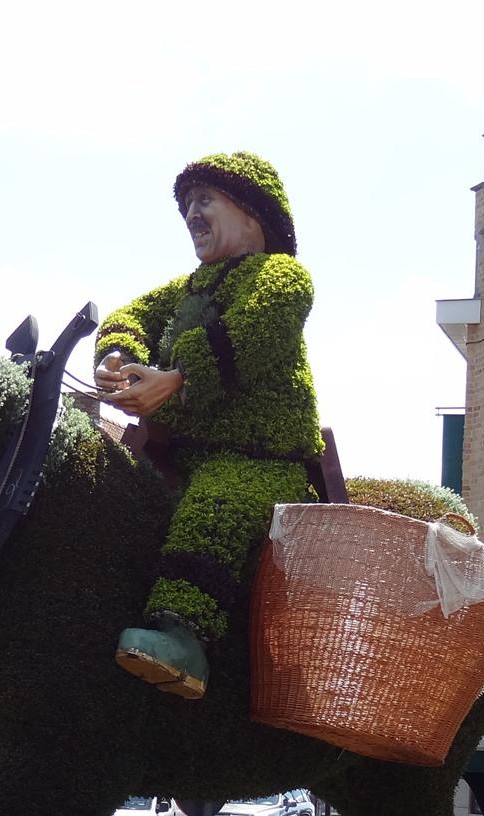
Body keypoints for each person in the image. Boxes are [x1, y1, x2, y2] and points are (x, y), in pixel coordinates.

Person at [95, 151, 322, 701]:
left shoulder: (282, 277)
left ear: (252, 213)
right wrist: (119, 356)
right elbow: (128, 316)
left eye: (204, 200)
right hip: (177, 454)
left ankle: (184, 642)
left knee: (216, 502)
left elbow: (254, 332)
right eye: (186, 205)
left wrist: (176, 377)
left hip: (260, 459)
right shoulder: (184, 289)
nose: (191, 214)